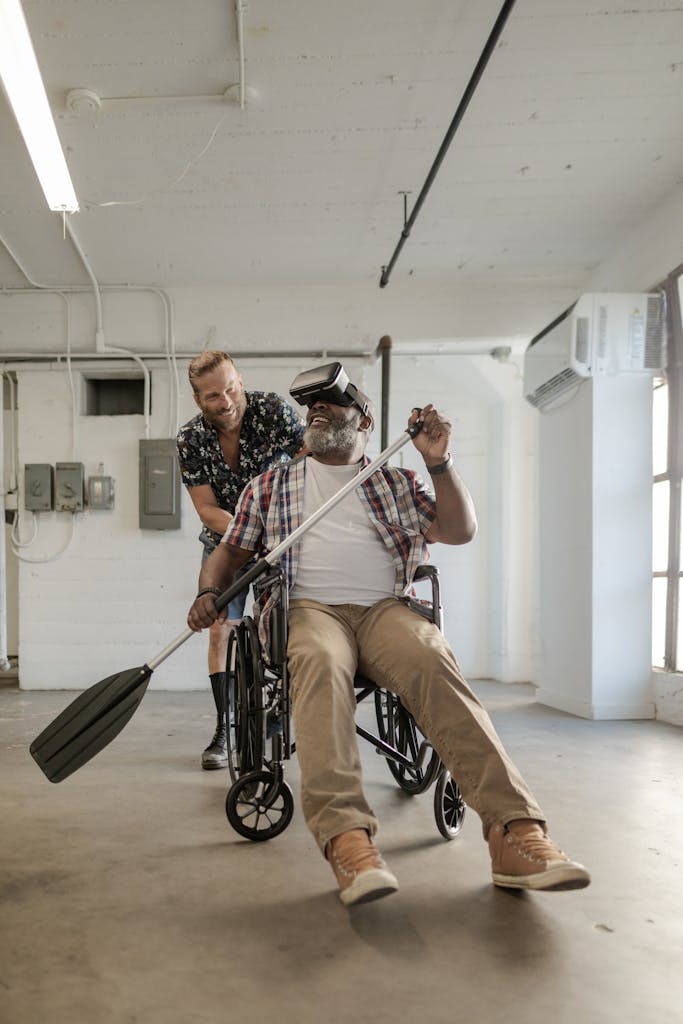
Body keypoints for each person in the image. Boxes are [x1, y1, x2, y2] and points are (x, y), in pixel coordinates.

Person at [186, 368, 591, 905]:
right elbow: (230, 552)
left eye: (332, 405)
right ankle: (348, 839)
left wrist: (438, 461)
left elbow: (458, 530)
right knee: (319, 660)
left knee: (430, 657)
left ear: (366, 422)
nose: (318, 413)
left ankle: (515, 833)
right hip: (307, 610)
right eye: (313, 409)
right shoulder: (271, 486)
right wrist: (207, 592)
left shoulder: (393, 481)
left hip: (384, 610)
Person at [177, 351, 305, 769]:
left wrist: (278, 521)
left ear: (240, 380)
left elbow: (311, 460)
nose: (227, 401)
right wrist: (244, 533)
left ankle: (280, 712)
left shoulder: (273, 412)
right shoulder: (190, 439)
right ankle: (225, 727)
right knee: (220, 631)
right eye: (214, 395)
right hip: (225, 541)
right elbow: (206, 508)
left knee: (285, 629)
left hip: (278, 542)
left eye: (232, 388)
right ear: (199, 400)